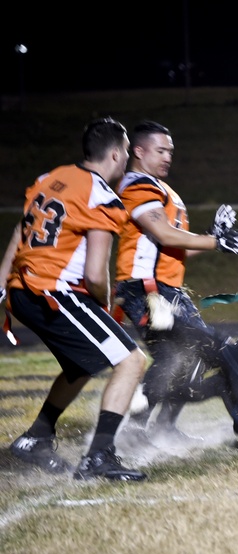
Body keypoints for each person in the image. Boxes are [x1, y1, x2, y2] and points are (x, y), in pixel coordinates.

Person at [0, 117, 148, 481]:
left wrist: (2, 282)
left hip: (23, 289)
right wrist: (104, 304)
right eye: (127, 153)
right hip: (54, 291)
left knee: (84, 361)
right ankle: (99, 457)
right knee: (131, 361)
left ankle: (36, 438)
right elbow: (96, 274)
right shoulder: (100, 195)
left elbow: (20, 229)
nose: (127, 160)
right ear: (115, 154)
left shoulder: (49, 179)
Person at [114, 120, 238, 441]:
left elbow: (173, 248)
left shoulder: (165, 191)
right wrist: (215, 242)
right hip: (146, 288)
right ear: (138, 151)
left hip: (167, 288)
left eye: (170, 151)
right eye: (160, 150)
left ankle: (161, 426)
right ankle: (136, 428)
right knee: (174, 355)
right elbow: (162, 232)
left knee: (190, 354)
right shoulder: (138, 184)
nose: (167, 157)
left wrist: (211, 236)